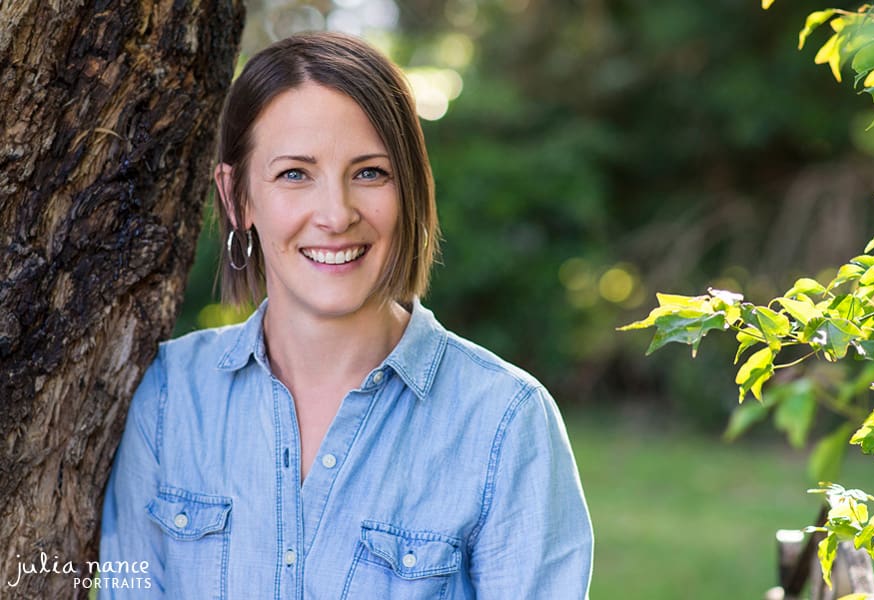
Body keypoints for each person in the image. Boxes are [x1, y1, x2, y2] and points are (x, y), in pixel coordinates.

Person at [100, 31, 593, 598]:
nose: (336, 214)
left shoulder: (505, 423)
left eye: (369, 173)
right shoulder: (169, 397)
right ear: (238, 198)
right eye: (294, 174)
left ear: (408, 190)